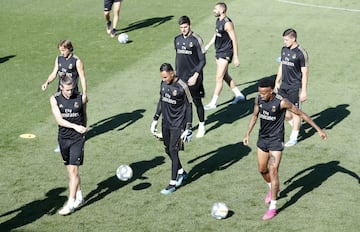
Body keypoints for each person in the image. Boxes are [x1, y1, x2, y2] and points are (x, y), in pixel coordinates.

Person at [242, 77, 326, 220]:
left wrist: (318, 130)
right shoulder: (258, 99)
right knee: (262, 169)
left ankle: (273, 207)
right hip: (262, 140)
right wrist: (247, 134)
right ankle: (273, 188)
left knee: (273, 170)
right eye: (260, 93)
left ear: (271, 91)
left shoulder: (282, 102)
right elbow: (255, 115)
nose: (261, 95)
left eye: (264, 93)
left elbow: (301, 114)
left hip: (276, 142)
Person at [150, 63, 193, 195]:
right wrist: (155, 119)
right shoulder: (163, 84)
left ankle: (172, 183)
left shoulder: (182, 86)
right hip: (166, 123)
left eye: (165, 77)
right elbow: (161, 101)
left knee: (173, 151)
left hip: (178, 125)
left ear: (172, 73)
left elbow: (189, 106)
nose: (164, 80)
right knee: (167, 150)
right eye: (162, 77)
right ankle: (181, 172)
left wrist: (188, 127)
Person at [50, 75, 87, 215]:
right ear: (61, 87)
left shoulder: (81, 98)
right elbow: (59, 120)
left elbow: (84, 114)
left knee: (74, 171)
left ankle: (70, 203)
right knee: (70, 170)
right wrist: (75, 126)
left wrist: (83, 129)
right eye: (67, 89)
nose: (70, 92)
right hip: (63, 138)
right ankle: (80, 196)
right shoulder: (54, 100)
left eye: (72, 89)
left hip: (77, 139)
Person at [42, 39, 87, 152]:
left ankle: (81, 134)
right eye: (60, 50)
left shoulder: (77, 61)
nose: (61, 52)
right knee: (62, 118)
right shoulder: (59, 59)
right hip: (61, 94)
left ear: (69, 48)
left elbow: (82, 77)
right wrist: (47, 82)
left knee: (77, 115)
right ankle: (62, 143)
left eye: (63, 50)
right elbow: (54, 72)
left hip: (73, 94)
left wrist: (85, 93)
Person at [204, 2, 245, 110]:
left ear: (222, 10)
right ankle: (239, 95)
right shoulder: (218, 21)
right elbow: (216, 34)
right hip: (219, 51)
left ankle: (213, 102)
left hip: (226, 53)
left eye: (215, 9)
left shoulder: (228, 23)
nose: (214, 10)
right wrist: (208, 45)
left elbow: (234, 40)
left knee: (218, 78)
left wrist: (236, 56)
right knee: (225, 76)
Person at [275, 28, 309, 147]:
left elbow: (305, 73)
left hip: (295, 87)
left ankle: (294, 138)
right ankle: (296, 125)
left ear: (293, 39)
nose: (284, 42)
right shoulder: (284, 50)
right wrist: (277, 81)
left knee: (296, 112)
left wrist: (304, 90)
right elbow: (282, 65)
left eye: (286, 39)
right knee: (281, 111)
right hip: (283, 86)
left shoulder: (301, 53)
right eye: (284, 40)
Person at [174, 16, 206, 138]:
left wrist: (195, 75)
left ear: (190, 25)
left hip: (194, 77)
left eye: (185, 27)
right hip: (180, 77)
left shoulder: (196, 39)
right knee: (183, 103)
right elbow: (178, 58)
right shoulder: (177, 39)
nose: (183, 29)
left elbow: (202, 60)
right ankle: (186, 127)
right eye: (181, 27)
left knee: (196, 101)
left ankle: (202, 125)